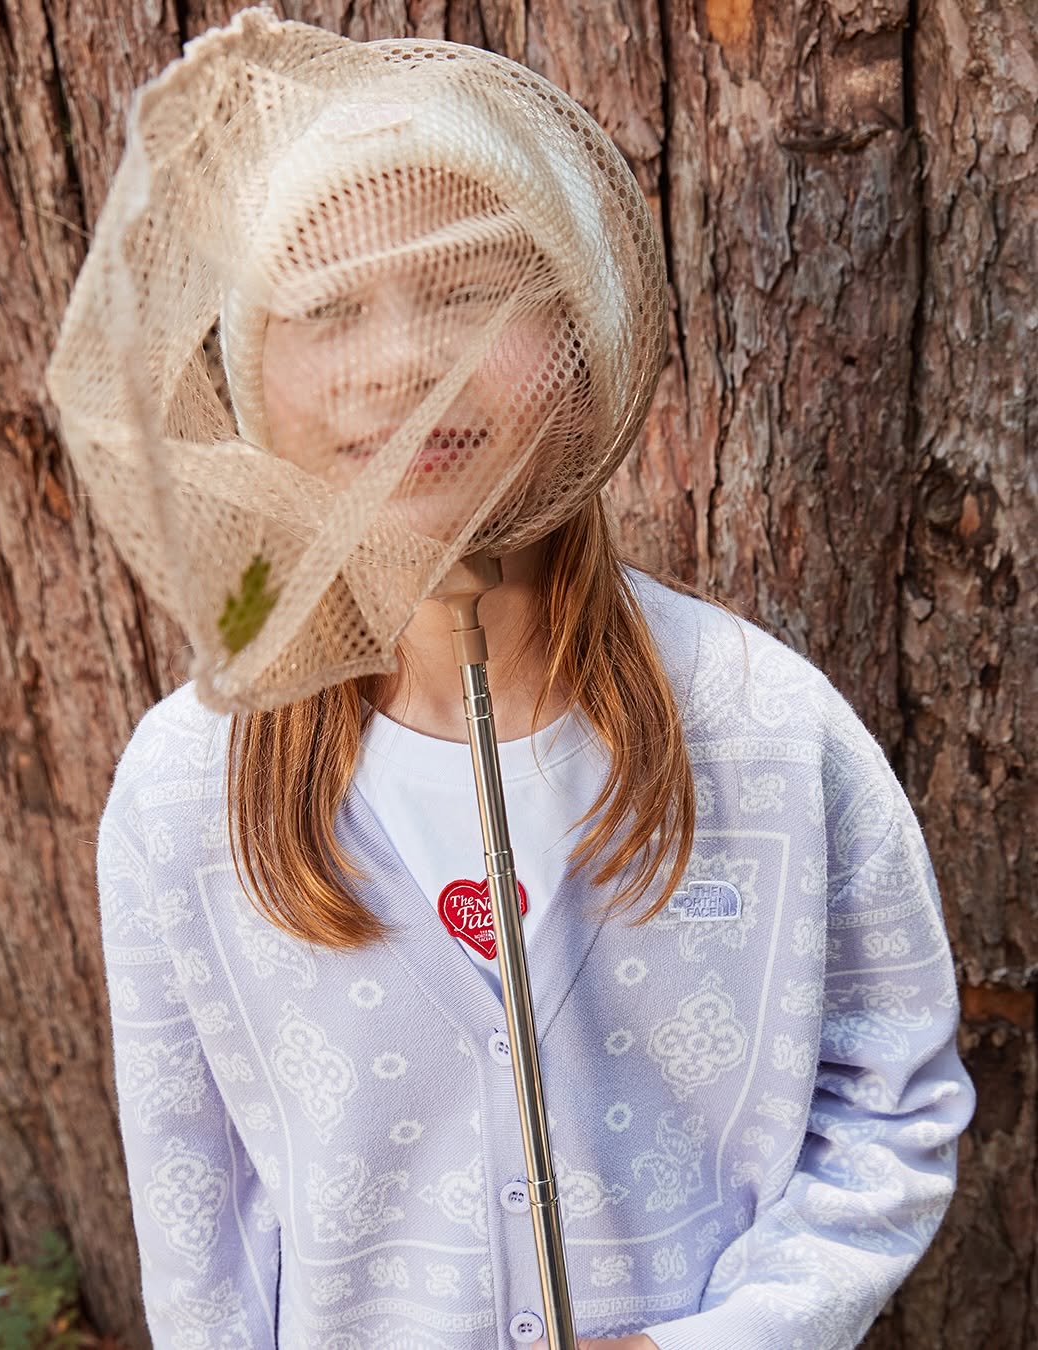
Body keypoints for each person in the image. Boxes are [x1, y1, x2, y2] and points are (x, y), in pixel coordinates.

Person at [83, 11, 974, 1350]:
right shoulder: (182, 790)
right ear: (252, 372)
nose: (399, 361)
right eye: (327, 307)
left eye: (467, 290)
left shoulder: (770, 732)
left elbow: (889, 1107)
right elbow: (198, 1226)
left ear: (585, 329)